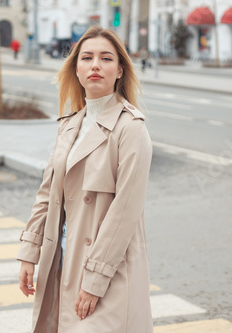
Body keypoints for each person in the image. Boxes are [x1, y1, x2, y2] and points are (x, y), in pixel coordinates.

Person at [17, 26, 153, 332]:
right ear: (76, 69)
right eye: (87, 57)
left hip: (108, 268)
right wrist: (29, 253)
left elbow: (125, 212)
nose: (95, 65)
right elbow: (47, 194)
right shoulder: (69, 125)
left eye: (106, 58)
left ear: (119, 70)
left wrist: (95, 279)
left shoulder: (130, 128)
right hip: (61, 260)